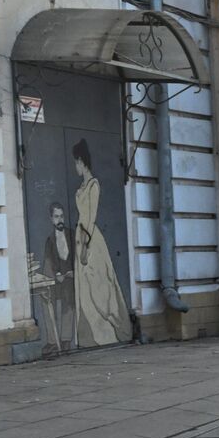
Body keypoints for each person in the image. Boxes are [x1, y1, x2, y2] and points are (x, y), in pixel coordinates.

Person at [71, 138, 132, 346]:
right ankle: (90, 337)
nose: (75, 166)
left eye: (76, 162)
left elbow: (90, 217)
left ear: (81, 161)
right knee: (85, 290)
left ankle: (111, 328)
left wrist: (85, 246)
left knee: (98, 286)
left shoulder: (93, 185)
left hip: (89, 239)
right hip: (80, 237)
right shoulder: (81, 187)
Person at [41, 202, 77, 352]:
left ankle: (66, 340)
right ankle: (52, 341)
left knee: (69, 302)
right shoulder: (50, 240)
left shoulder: (72, 235)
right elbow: (48, 260)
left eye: (62, 216)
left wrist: (74, 272)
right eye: (56, 217)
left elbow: (79, 256)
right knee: (46, 300)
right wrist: (56, 275)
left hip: (70, 278)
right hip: (56, 280)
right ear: (51, 219)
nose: (60, 220)